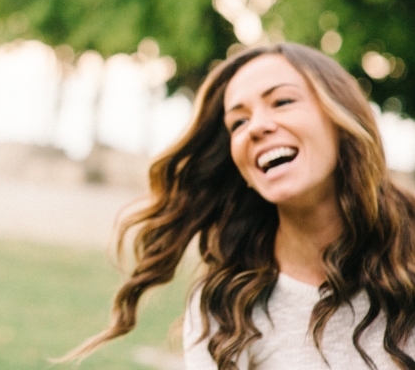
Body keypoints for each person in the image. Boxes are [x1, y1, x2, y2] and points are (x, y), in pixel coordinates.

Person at [67, 43, 415, 369]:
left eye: (282, 102)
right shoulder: (226, 304)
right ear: (244, 171)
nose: (257, 127)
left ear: (340, 119)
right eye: (238, 122)